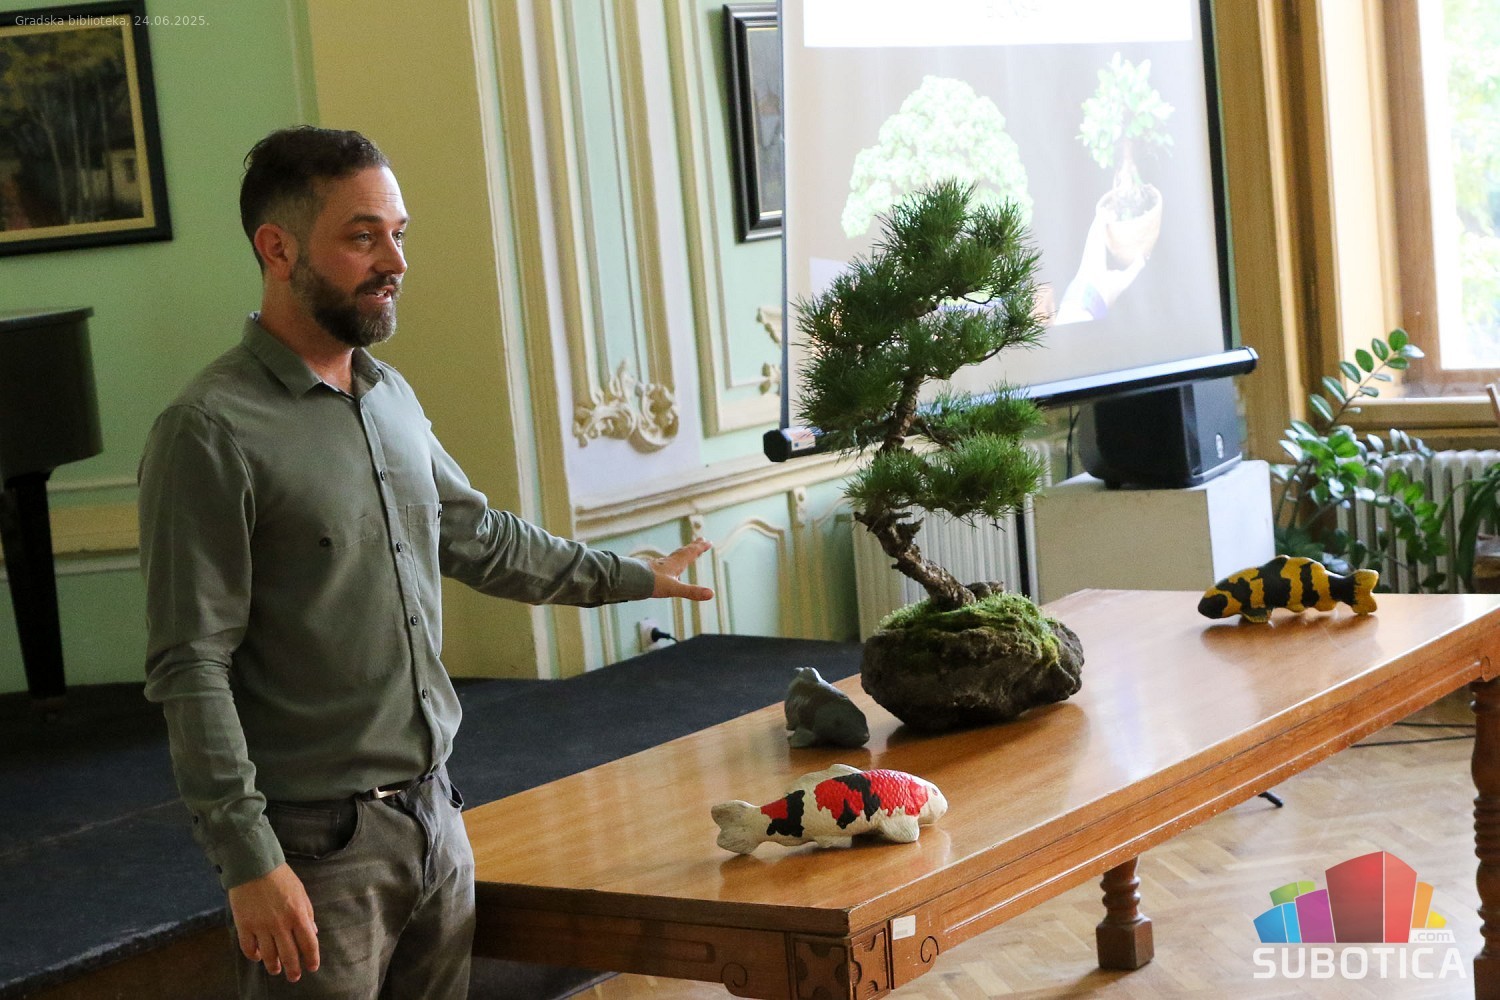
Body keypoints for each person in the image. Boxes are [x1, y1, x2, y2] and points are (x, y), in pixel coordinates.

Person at [138, 126, 714, 999]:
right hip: (315, 851)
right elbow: (191, 665)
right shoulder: (208, 431)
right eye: (363, 236)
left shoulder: (390, 396)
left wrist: (629, 574)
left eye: (398, 234)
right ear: (278, 249)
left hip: (437, 816)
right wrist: (248, 859)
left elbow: (480, 538)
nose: (395, 262)